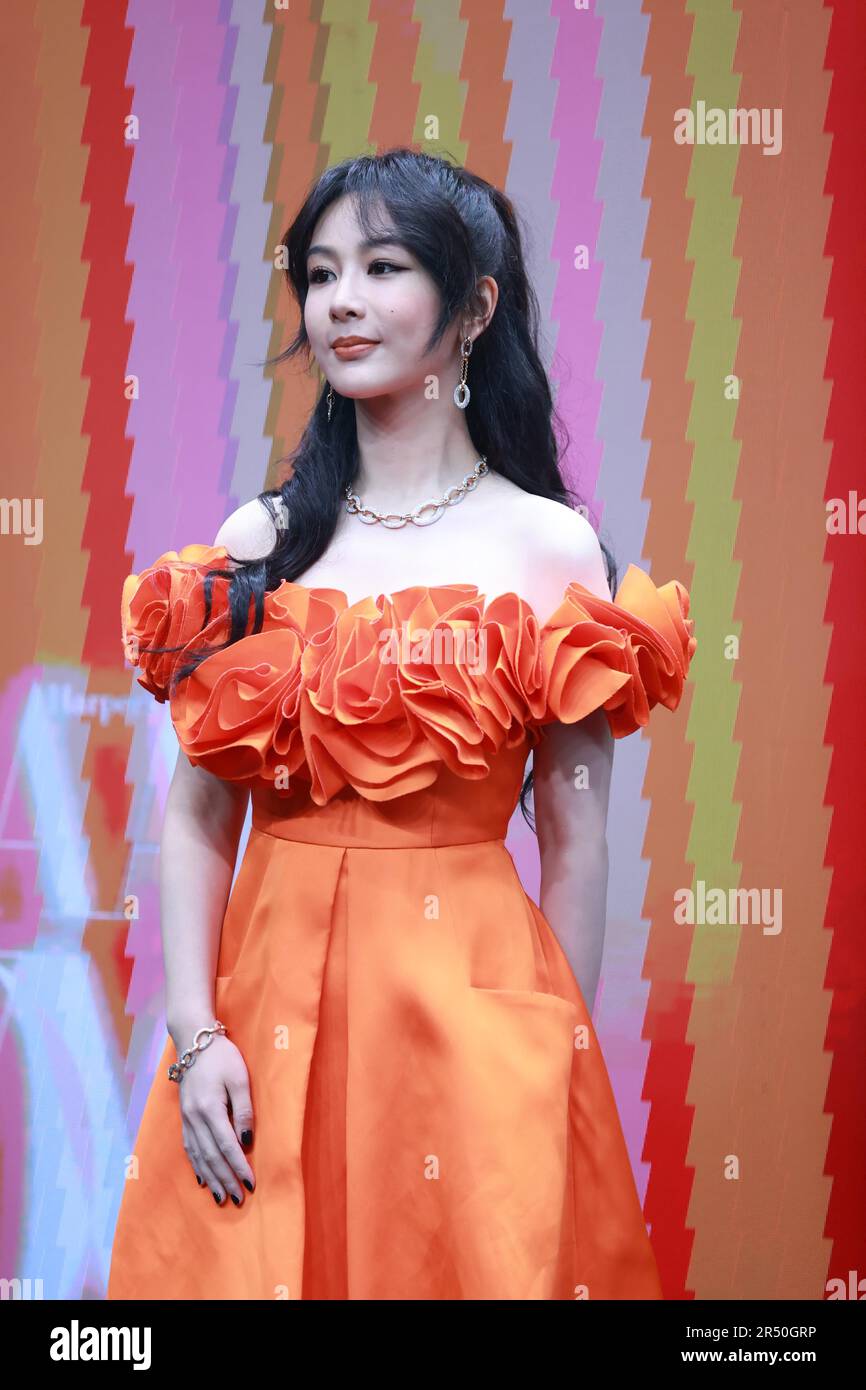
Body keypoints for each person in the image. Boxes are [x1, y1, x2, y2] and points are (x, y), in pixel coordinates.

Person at [108, 148, 695, 1301]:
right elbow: (195, 819)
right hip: (265, 1020)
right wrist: (196, 1036)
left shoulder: (548, 548)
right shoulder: (258, 540)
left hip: (471, 1017)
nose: (341, 301)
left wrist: (552, 1053)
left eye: (381, 267)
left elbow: (576, 843)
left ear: (473, 304)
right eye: (320, 273)